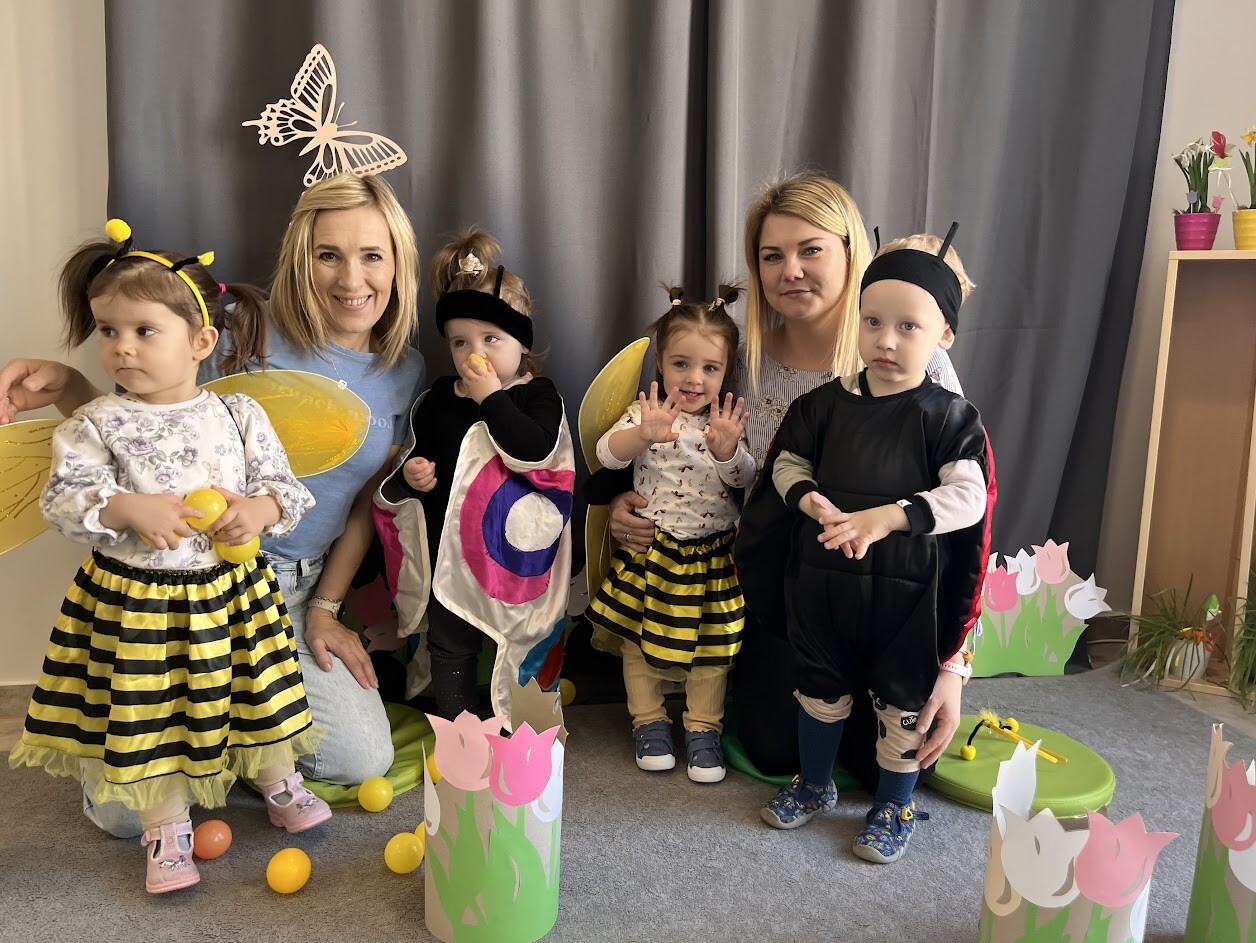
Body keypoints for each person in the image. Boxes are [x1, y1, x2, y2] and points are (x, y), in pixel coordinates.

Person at [0, 174, 425, 835]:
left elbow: (367, 503)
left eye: (372, 255)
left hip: (286, 592)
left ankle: (225, 734)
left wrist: (325, 607)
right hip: (173, 593)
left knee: (357, 759)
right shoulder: (239, 334)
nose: (352, 278)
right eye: (328, 254)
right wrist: (70, 385)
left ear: (398, 263)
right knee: (123, 819)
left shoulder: (404, 371)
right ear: (301, 258)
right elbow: (143, 431)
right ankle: (186, 738)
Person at [606, 173, 965, 785]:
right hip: (788, 584)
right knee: (776, 748)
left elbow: (968, 508)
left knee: (892, 766)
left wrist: (953, 666)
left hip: (894, 590)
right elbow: (683, 454)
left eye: (811, 250)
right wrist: (625, 502)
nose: (790, 270)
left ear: (851, 252)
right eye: (772, 256)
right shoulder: (737, 359)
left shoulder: (914, 353)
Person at [9, 222, 330, 894]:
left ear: (201, 342)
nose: (121, 347)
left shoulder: (239, 414)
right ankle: (167, 827)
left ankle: (279, 781)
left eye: (144, 331)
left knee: (253, 692)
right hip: (141, 607)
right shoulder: (96, 421)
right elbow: (62, 500)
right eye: (108, 330)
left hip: (232, 596)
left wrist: (258, 511)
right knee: (154, 713)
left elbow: (286, 489)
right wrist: (127, 507)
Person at [738, 227, 992, 864]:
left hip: (907, 599)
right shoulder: (823, 406)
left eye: (908, 327)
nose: (886, 340)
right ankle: (814, 783)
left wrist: (891, 517)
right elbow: (787, 463)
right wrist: (809, 501)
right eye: (874, 322)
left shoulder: (949, 417)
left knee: (903, 704)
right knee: (818, 689)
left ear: (944, 335)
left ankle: (893, 803)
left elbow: (970, 500)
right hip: (825, 586)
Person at [373, 229, 572, 721]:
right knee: (450, 643)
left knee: (517, 642)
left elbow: (537, 451)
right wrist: (412, 476)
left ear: (521, 343)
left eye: (491, 339)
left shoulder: (538, 394)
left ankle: (518, 727)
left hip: (511, 560)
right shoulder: (439, 399)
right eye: (460, 342)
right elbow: (412, 461)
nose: (473, 354)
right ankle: (458, 725)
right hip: (451, 560)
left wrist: (491, 399)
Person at [587, 286, 753, 783]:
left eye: (710, 368)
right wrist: (641, 434)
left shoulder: (725, 424)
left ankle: (703, 728)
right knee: (638, 643)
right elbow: (606, 454)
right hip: (651, 553)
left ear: (726, 371)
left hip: (711, 559)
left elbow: (746, 479)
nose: (694, 378)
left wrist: (727, 452)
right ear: (660, 362)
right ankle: (649, 721)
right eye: (681, 364)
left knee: (711, 652)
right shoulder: (649, 412)